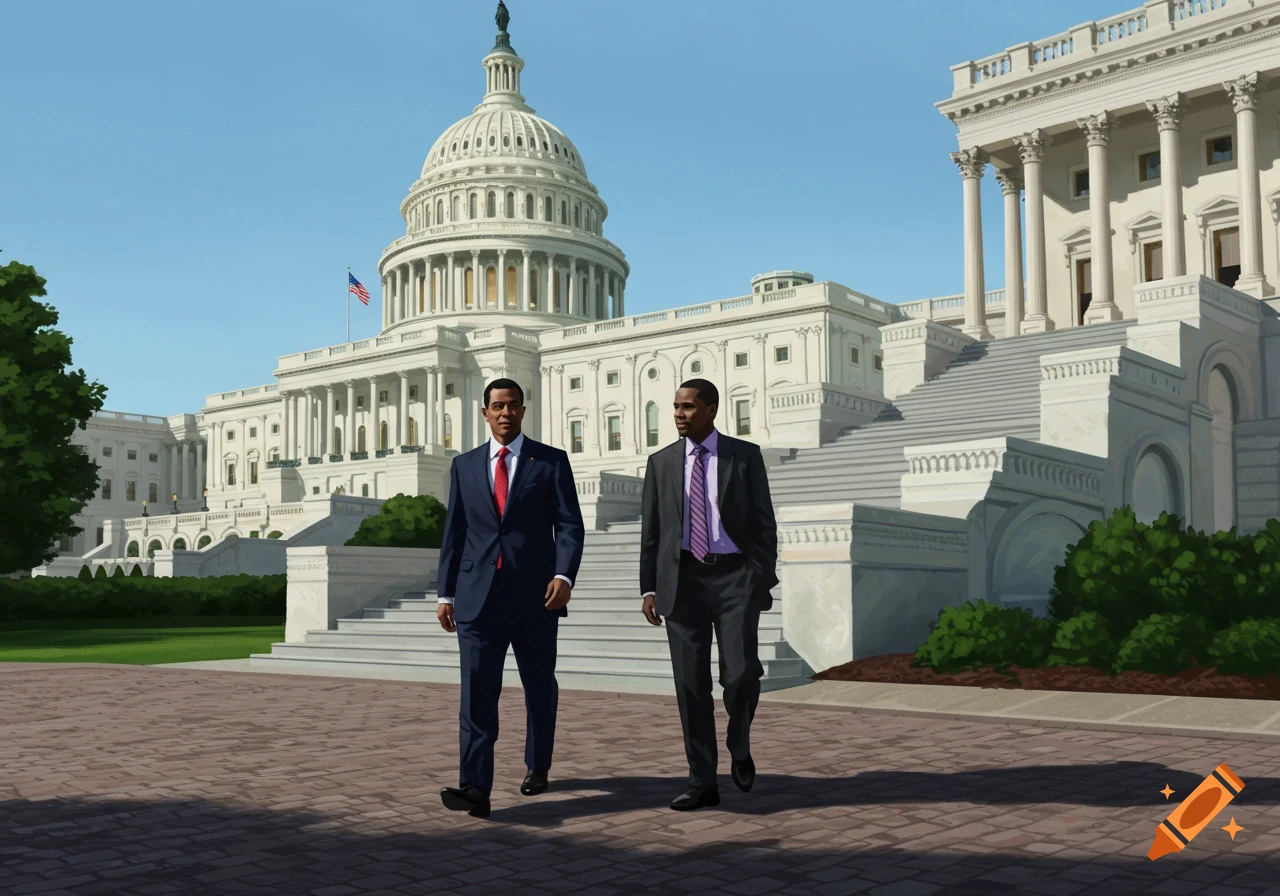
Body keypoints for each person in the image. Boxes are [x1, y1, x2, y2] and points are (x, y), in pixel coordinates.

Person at [436, 378, 585, 818]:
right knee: (476, 693)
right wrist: (446, 593)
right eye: (498, 406)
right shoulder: (463, 466)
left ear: (523, 410)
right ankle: (475, 787)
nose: (506, 413)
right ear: (485, 412)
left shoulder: (550, 461)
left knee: (539, 686)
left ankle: (538, 765)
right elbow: (455, 533)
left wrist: (564, 575)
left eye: (513, 406)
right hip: (477, 598)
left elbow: (570, 525)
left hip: (536, 596)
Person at [638, 378, 778, 811]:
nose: (679, 414)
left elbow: (763, 522)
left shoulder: (744, 455)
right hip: (682, 585)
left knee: (741, 673)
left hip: (735, 579)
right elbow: (652, 533)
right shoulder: (661, 463)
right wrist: (649, 587)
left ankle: (739, 740)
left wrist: (759, 578)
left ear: (712, 409)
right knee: (690, 687)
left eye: (688, 407)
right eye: (676, 407)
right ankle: (702, 782)